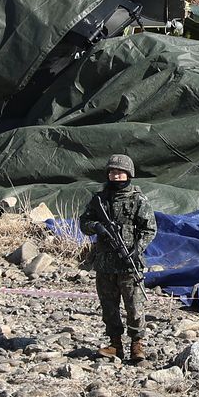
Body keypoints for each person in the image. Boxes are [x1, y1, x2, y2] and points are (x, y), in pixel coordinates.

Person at [78, 154, 156, 363]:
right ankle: (115, 344)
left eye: (120, 172)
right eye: (113, 172)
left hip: (129, 264)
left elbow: (149, 229)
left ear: (129, 174)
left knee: (134, 307)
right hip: (105, 264)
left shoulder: (138, 199)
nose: (116, 176)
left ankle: (136, 345)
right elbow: (84, 222)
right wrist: (96, 227)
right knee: (109, 306)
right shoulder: (100, 199)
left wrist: (137, 249)